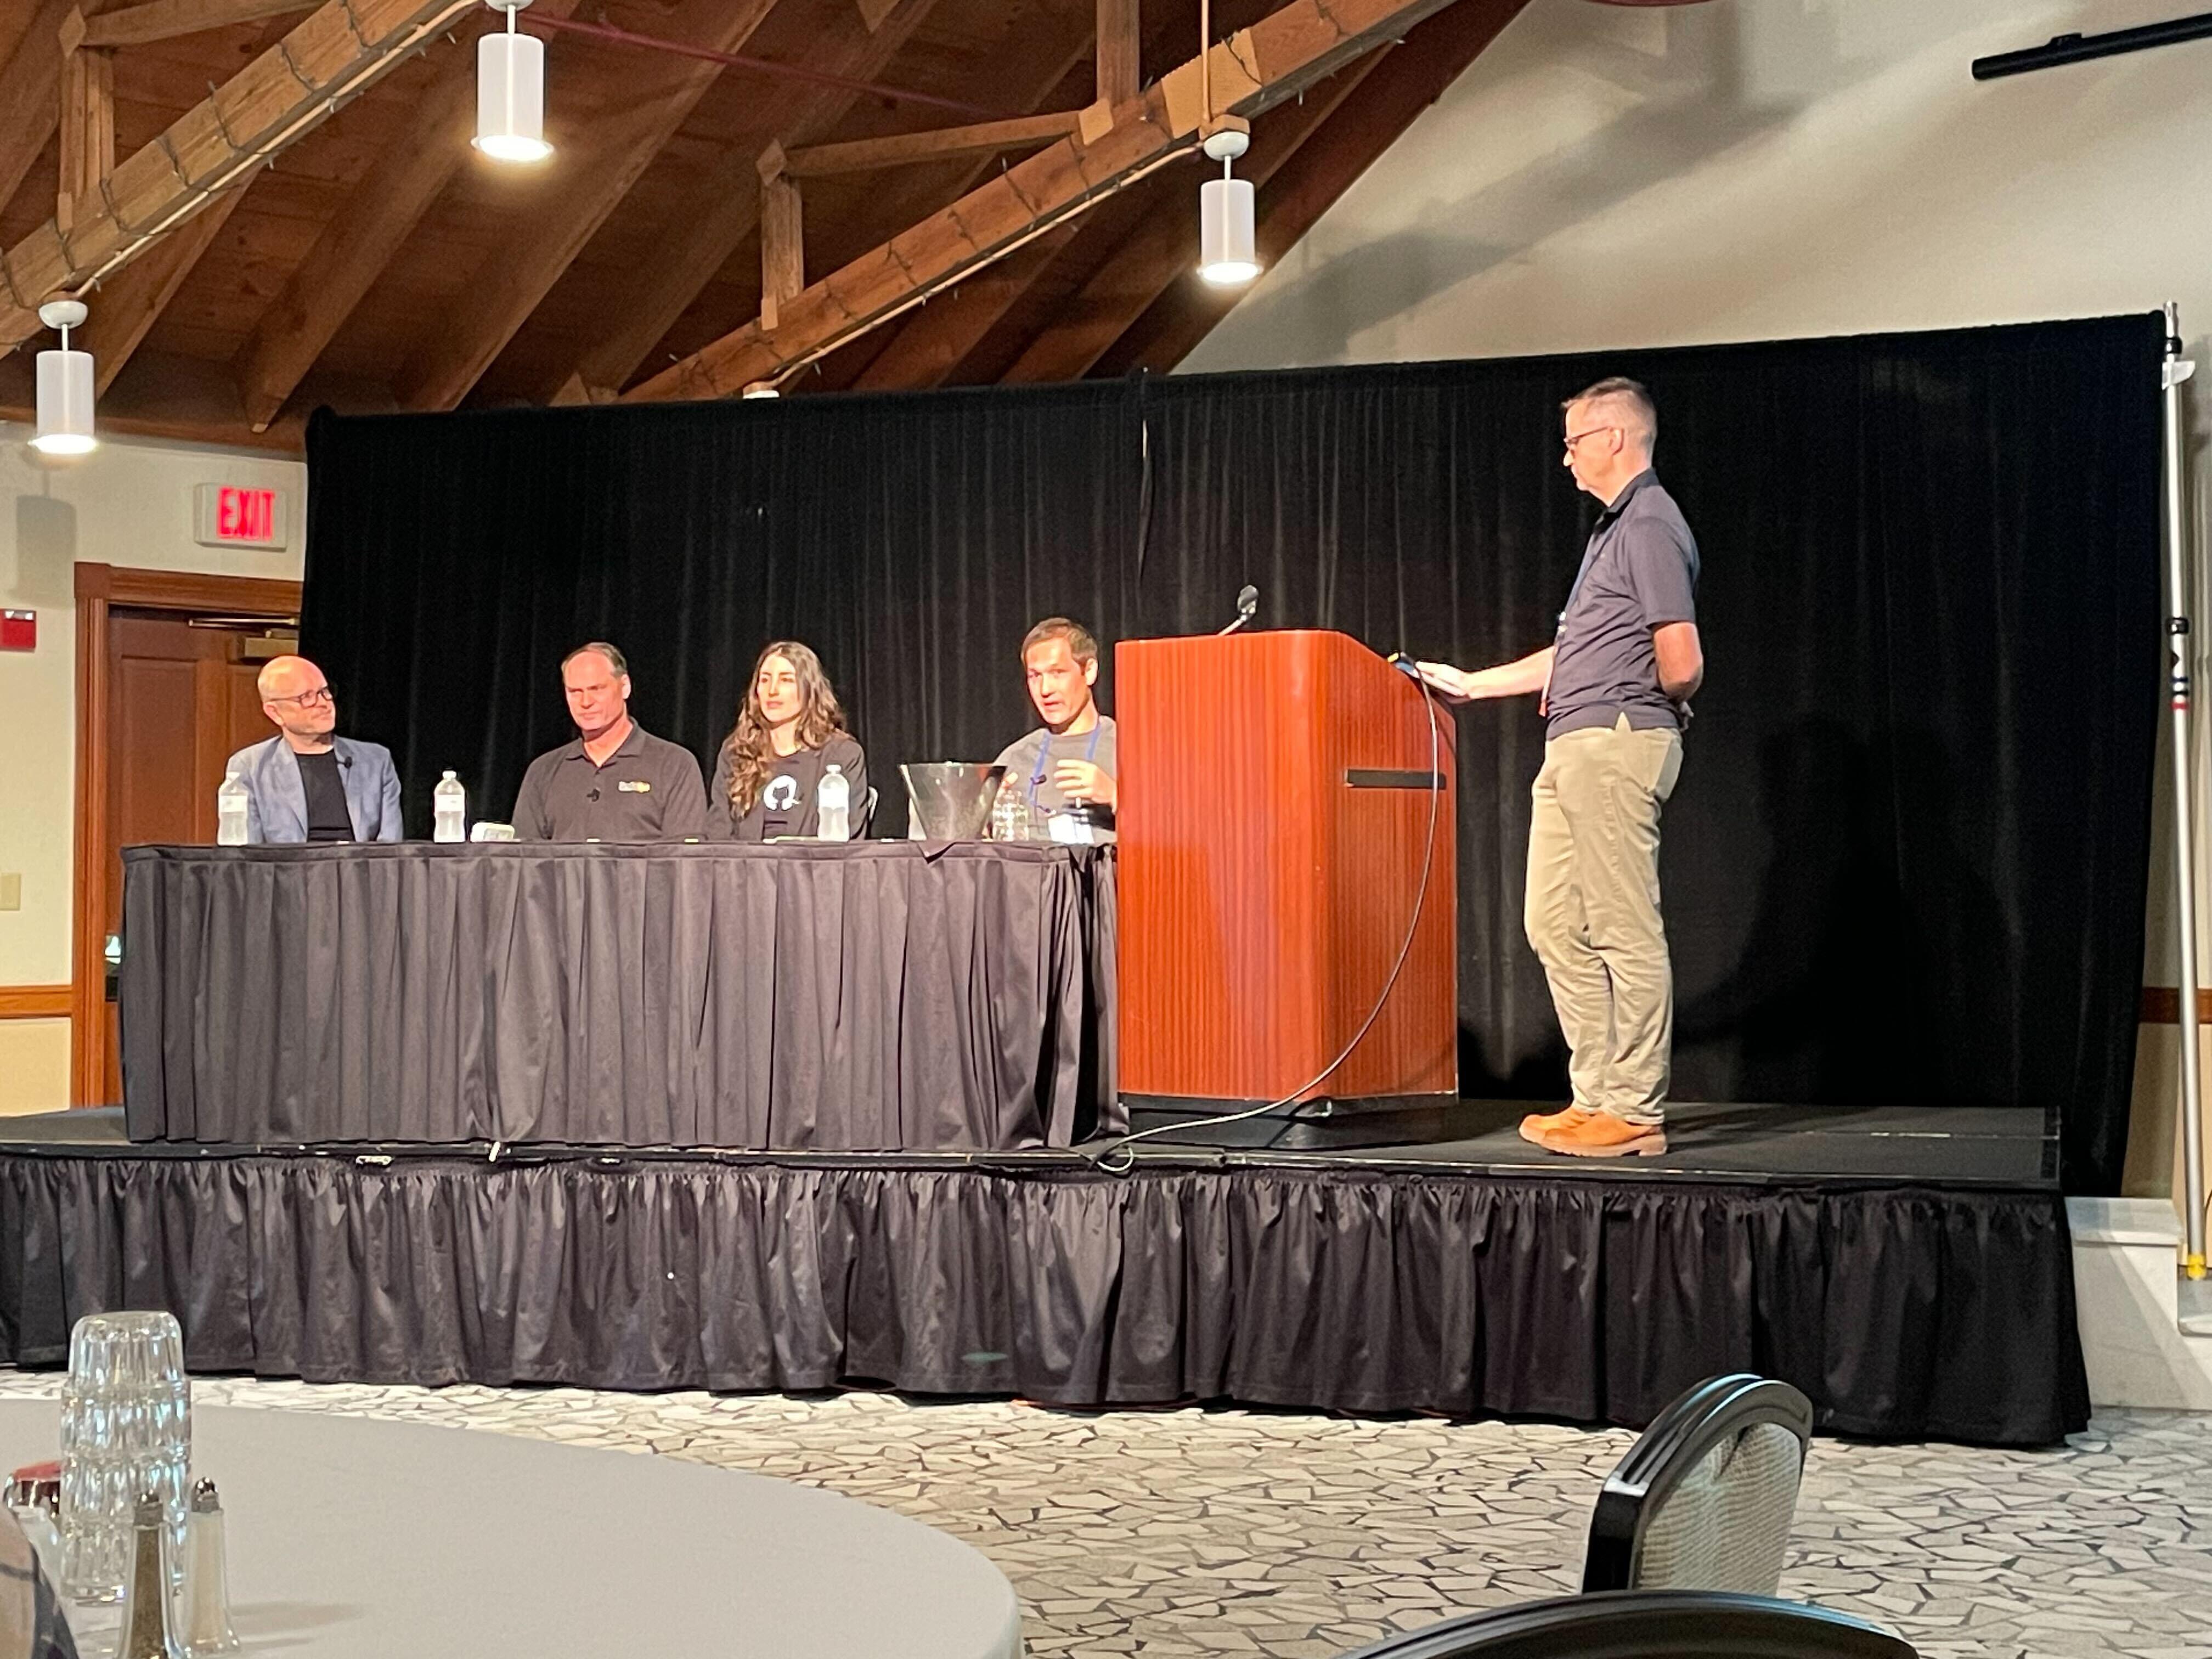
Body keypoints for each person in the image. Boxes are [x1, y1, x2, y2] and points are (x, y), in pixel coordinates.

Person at [1416, 377, 1703, 1158]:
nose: (1567, 458)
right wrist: (1474, 684)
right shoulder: (1612, 532)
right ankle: (1599, 1095)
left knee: (1621, 927)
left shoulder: (1648, 524)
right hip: (1575, 743)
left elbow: (1682, 660)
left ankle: (1636, 1107)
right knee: (1552, 924)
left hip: (1614, 741)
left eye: (1575, 441)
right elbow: (1574, 651)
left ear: (1613, 439)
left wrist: (1636, 702)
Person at [511, 642, 710, 842]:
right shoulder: (543, 771)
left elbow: (684, 861)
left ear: (625, 687)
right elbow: (523, 859)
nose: (586, 702)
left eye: (596, 689)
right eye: (575, 692)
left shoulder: (674, 764)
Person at [224, 654, 402, 843]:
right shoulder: (250, 767)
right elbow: (246, 858)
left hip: (361, 870)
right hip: (289, 871)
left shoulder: (376, 760)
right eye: (306, 697)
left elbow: (390, 852)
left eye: (324, 691)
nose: (323, 703)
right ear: (275, 712)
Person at [712, 641, 869, 840]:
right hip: (744, 869)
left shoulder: (842, 754)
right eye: (765, 680)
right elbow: (718, 836)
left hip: (813, 869)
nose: (773, 690)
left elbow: (847, 840)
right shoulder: (737, 751)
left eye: (786, 680)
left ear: (809, 690)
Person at [992, 617, 1117, 843]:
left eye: (1057, 673)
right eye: (1035, 676)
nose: (1045, 690)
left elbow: (1175, 833)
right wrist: (987, 820)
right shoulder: (1015, 758)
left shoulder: (1128, 747)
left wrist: (1115, 797)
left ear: (1089, 671)